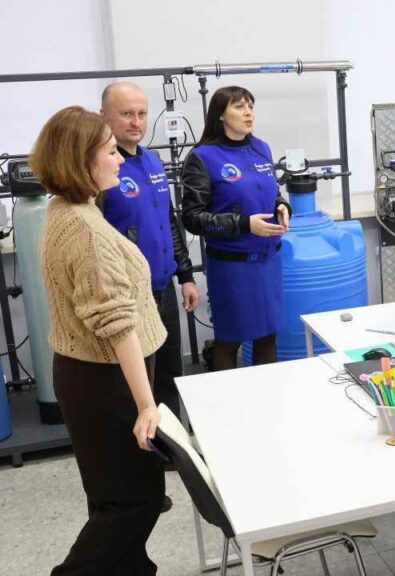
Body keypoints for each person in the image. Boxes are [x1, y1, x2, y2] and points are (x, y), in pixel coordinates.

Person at [34, 106, 167, 575]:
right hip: (107, 379)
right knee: (134, 501)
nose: (120, 159)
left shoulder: (69, 210)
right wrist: (146, 405)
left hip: (94, 374)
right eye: (111, 151)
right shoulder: (86, 232)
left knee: (113, 498)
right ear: (81, 161)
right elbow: (117, 326)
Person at [99, 81, 199, 420]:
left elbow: (168, 221)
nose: (136, 122)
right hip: (128, 295)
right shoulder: (99, 170)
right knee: (138, 381)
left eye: (141, 114)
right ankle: (142, 444)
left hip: (163, 289)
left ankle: (172, 442)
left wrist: (185, 275)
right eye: (126, 114)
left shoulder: (153, 161)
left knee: (170, 373)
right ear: (104, 116)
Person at [182, 86, 291, 370]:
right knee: (230, 340)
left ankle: (267, 394)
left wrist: (282, 206)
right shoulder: (202, 157)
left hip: (268, 261)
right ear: (220, 114)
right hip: (232, 266)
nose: (248, 113)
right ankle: (226, 396)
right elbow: (192, 217)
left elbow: (272, 192)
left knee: (268, 336)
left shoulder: (261, 148)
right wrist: (243, 224)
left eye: (250, 106)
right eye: (239, 107)